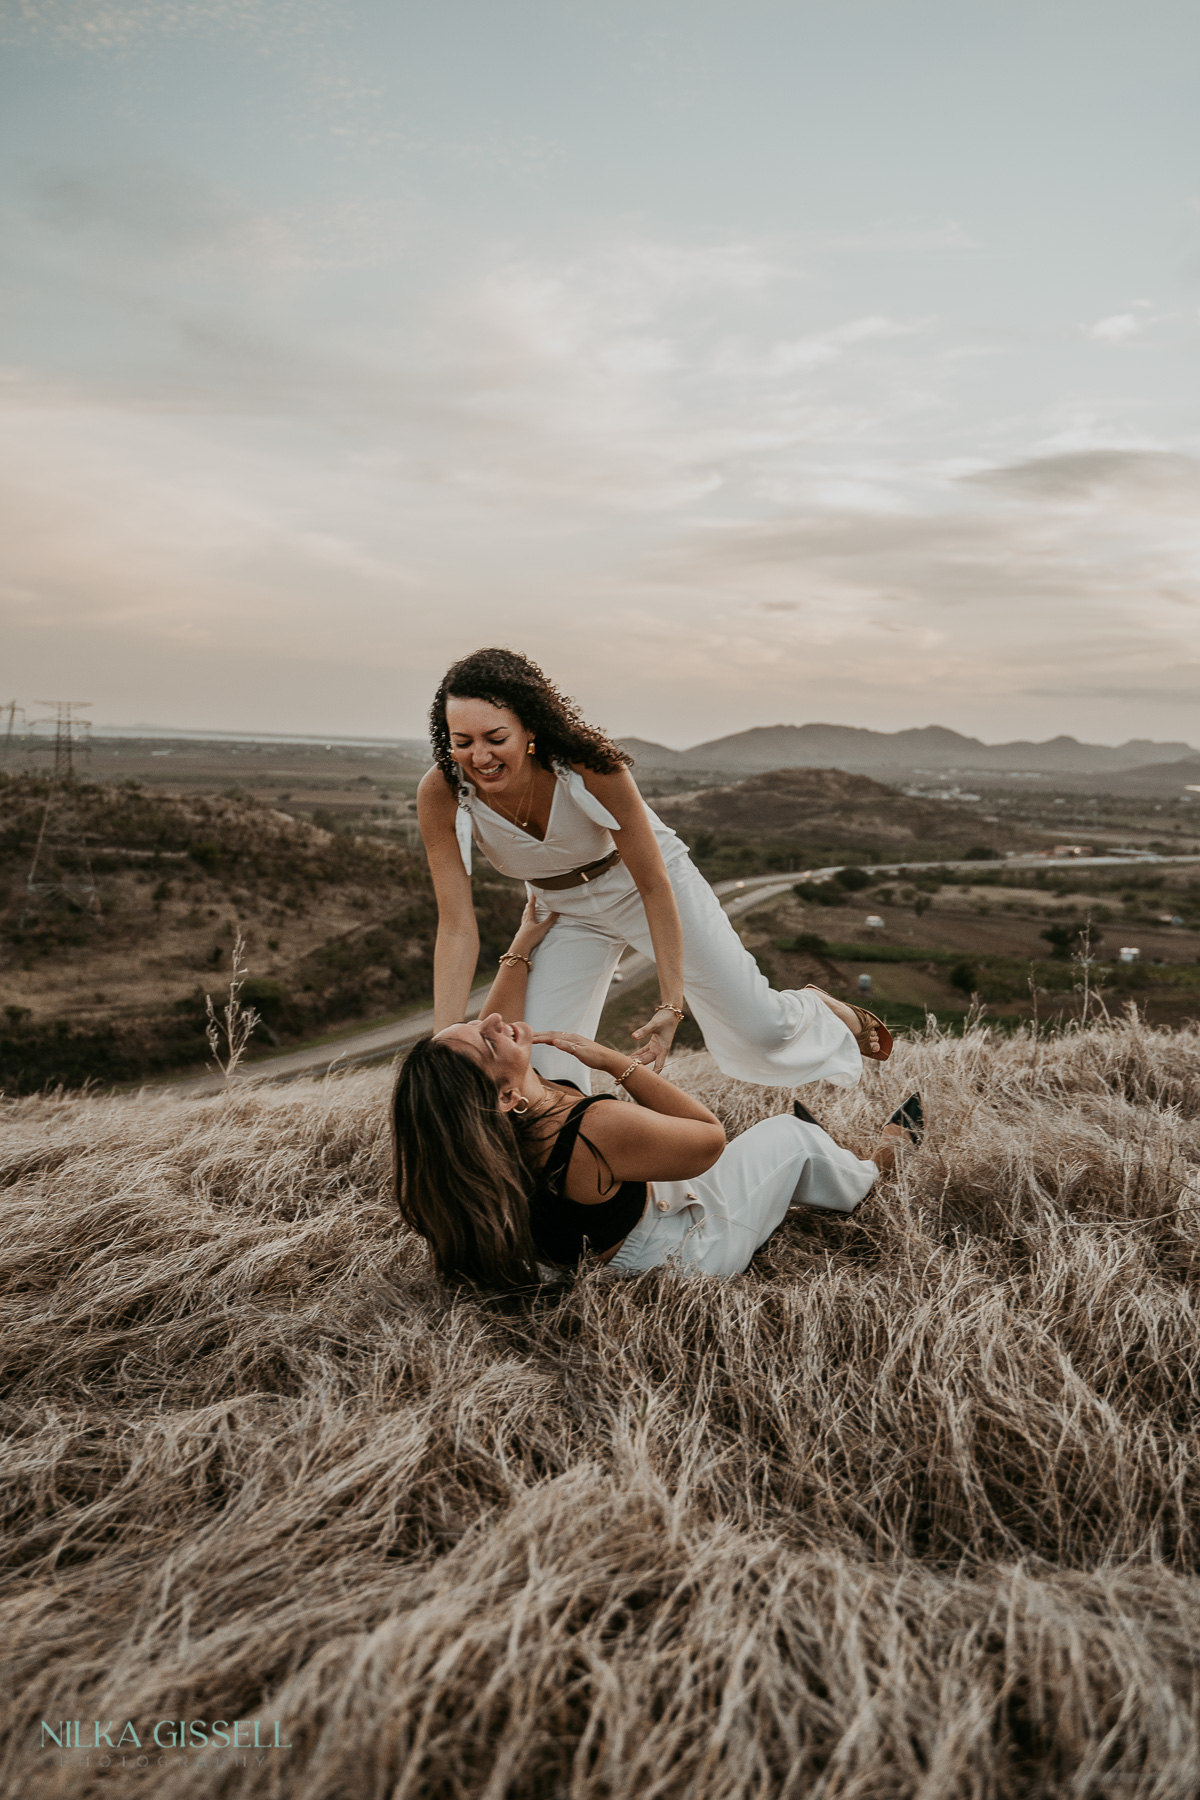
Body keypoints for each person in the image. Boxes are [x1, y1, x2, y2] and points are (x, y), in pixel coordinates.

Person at [417, 647, 891, 1094]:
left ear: (529, 728)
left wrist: (670, 1004)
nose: (479, 756)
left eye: (495, 738)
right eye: (463, 742)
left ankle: (817, 1008)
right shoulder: (442, 792)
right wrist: (444, 1042)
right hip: (561, 914)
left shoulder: (589, 764)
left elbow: (653, 883)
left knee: (762, 1032)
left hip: (643, 886)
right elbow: (457, 927)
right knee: (537, 1061)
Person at [392, 897, 922, 1288]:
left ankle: (815, 1161)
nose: (492, 1024)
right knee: (790, 1137)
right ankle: (871, 1171)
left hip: (602, 1241)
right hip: (677, 1256)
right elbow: (707, 1139)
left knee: (774, 1147)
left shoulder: (480, 1130)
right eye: (486, 1043)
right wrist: (617, 1064)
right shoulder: (589, 1132)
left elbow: (498, 1020)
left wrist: (521, 944)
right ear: (506, 1097)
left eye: (472, 1023)